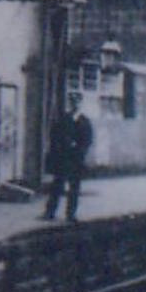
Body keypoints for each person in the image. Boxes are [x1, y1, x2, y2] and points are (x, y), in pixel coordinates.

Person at [42, 91, 94, 222]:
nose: (75, 104)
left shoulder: (85, 121)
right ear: (70, 103)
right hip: (63, 158)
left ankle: (71, 214)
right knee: (57, 185)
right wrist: (62, 146)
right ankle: (50, 212)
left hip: (76, 159)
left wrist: (78, 148)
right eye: (73, 102)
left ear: (81, 104)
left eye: (77, 102)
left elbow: (88, 141)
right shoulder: (63, 119)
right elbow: (54, 135)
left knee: (74, 188)